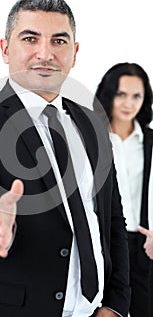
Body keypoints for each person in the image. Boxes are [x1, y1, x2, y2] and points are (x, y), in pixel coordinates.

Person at [0, 0, 130, 317]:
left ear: (74, 53)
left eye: (59, 41)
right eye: (30, 38)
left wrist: (114, 304)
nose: (45, 54)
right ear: (5, 49)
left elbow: (112, 219)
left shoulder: (93, 124)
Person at [93, 62, 153, 317]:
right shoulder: (91, 139)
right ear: (109, 95)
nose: (129, 103)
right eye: (121, 94)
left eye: (136, 96)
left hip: (144, 245)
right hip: (104, 242)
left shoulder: (150, 141)